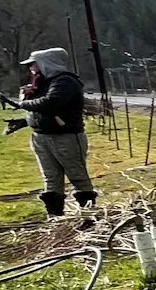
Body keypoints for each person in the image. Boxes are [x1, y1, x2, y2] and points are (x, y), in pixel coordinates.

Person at [10, 48, 95, 222]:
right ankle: (55, 219)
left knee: (77, 176)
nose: (31, 68)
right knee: (50, 178)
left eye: (33, 64)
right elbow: (43, 111)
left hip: (66, 137)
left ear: (46, 63)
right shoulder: (42, 83)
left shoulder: (65, 81)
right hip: (41, 137)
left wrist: (23, 104)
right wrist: (26, 121)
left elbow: (50, 103)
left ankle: (88, 218)